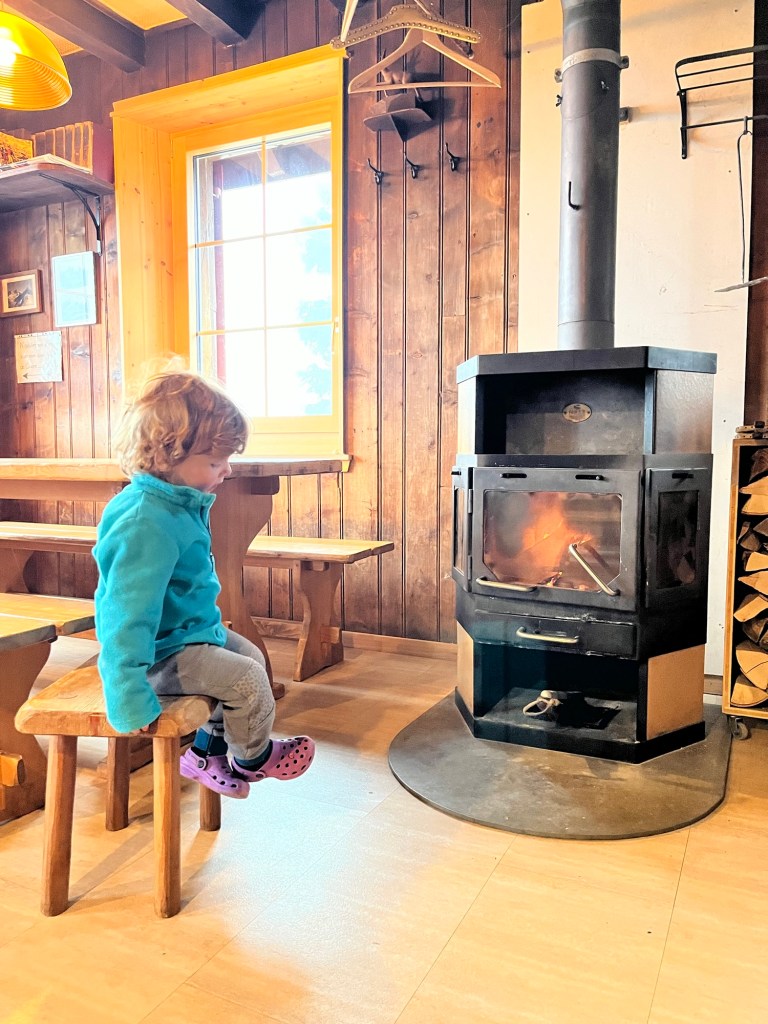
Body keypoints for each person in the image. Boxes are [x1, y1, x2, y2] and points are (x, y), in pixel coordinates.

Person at [93, 371, 315, 799]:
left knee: (251, 657)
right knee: (247, 679)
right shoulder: (144, 521)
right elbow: (124, 617)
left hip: (188, 635)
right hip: (159, 656)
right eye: (215, 463)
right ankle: (252, 758)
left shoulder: (176, 503)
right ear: (166, 455)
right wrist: (127, 694)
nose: (227, 470)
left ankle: (203, 756)